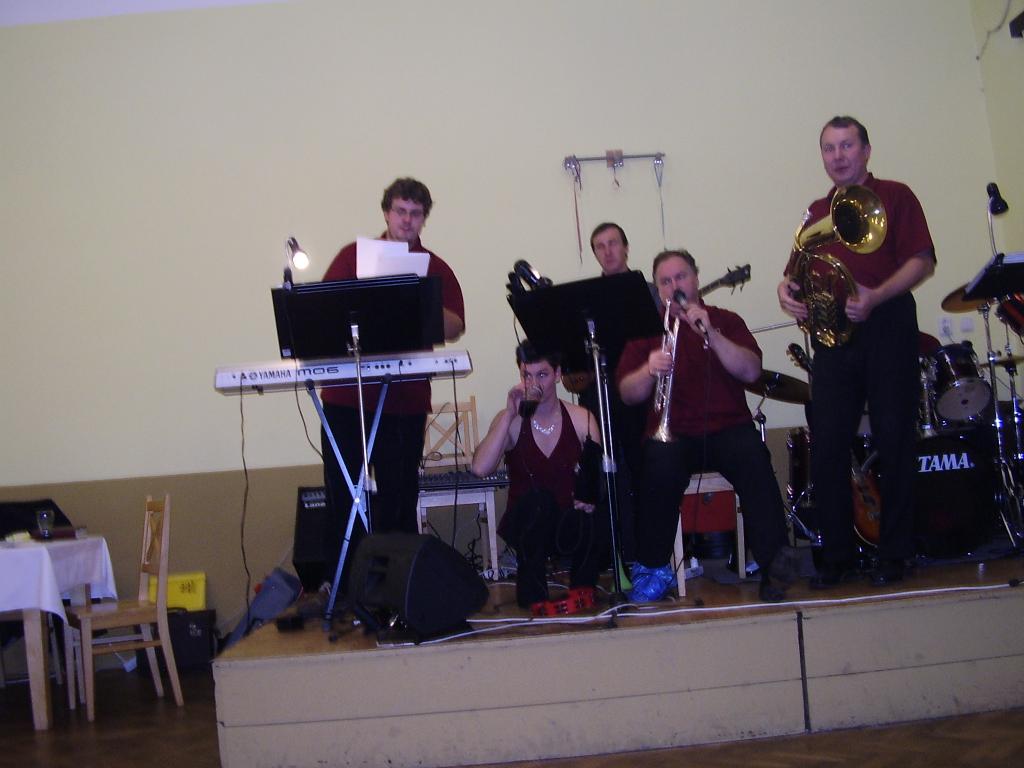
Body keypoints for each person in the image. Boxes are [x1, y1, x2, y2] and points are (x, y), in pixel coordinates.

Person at [777, 116, 935, 587]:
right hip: (833, 338)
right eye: (829, 148)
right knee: (827, 445)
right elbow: (796, 271)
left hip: (887, 325)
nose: (838, 156)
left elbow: (922, 261)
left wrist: (876, 296)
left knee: (895, 437)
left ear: (866, 151)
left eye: (847, 145)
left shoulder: (897, 196)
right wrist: (786, 291)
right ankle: (837, 558)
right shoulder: (816, 210)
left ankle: (895, 555)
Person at [618, 249, 798, 603]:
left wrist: (711, 334)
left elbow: (751, 371)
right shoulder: (645, 331)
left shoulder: (725, 320)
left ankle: (774, 566)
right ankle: (652, 570)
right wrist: (648, 369)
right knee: (657, 466)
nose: (674, 286)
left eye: (681, 277)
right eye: (665, 281)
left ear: (696, 279)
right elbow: (627, 393)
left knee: (753, 457)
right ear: (658, 289)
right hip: (673, 435)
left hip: (728, 428)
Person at [320, 177, 465, 596]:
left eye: (415, 214)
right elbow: (323, 309)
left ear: (424, 219)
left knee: (399, 494)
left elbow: (456, 324)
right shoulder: (352, 256)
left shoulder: (433, 266)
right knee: (343, 491)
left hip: (405, 400)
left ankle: (397, 590)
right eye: (400, 211)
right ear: (386, 213)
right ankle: (345, 587)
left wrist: (416, 300)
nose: (407, 220)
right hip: (347, 396)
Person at [472, 341, 606, 609]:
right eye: (527, 375)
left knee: (592, 511)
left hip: (568, 521)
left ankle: (583, 590)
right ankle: (533, 596)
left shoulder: (581, 418)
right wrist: (509, 414)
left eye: (542, 374)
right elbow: (480, 469)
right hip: (527, 523)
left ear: (557, 374)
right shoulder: (511, 421)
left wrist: (589, 498)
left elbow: (596, 477)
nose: (534, 383)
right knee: (538, 500)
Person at [571, 222, 660, 562]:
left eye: (613, 243)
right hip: (599, 391)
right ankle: (606, 549)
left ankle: (644, 550)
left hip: (641, 394)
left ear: (626, 247)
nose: (607, 251)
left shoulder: (649, 292)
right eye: (600, 246)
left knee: (641, 468)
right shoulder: (587, 299)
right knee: (598, 464)